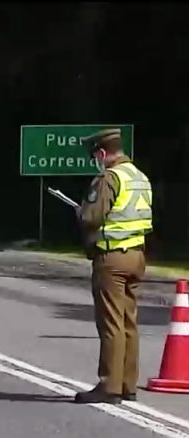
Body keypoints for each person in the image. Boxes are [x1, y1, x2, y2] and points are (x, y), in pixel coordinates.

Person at [74, 128, 152, 404]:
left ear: (103, 153)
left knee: (111, 323)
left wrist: (81, 210)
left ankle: (109, 385)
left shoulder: (109, 178)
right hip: (137, 255)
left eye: (96, 155)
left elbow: (91, 217)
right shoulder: (139, 176)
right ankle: (128, 384)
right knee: (129, 320)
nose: (95, 160)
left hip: (112, 258)